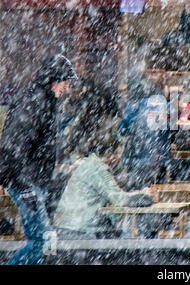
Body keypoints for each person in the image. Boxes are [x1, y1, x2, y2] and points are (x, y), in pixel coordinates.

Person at [0, 54, 78, 265]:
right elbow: (15, 146)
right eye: (65, 82)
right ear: (55, 78)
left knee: (40, 242)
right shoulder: (35, 102)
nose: (66, 87)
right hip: (25, 182)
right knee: (41, 242)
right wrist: (24, 186)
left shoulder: (44, 101)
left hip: (31, 181)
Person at [53, 81, 152, 239]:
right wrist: (144, 196)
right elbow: (120, 199)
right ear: (109, 153)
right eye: (117, 154)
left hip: (68, 228)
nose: (117, 159)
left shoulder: (90, 164)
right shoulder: (97, 168)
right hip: (80, 231)